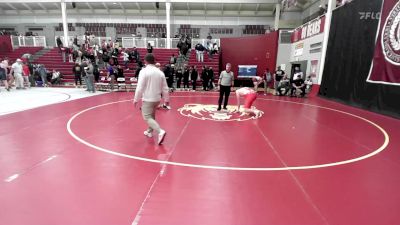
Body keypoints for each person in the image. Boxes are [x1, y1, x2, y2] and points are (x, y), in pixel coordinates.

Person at [134, 53, 169, 145]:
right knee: (152, 115)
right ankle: (149, 131)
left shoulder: (143, 71)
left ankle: (160, 131)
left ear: (145, 61)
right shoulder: (160, 72)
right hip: (157, 99)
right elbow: (165, 88)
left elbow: (140, 87)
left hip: (148, 99)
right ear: (154, 61)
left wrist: (136, 99)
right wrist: (166, 100)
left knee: (147, 117)